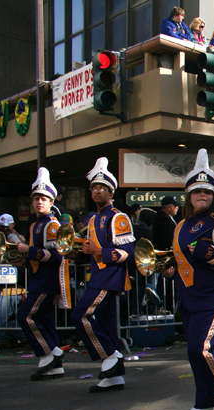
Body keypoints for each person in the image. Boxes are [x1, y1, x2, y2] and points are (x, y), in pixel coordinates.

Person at [164, 149, 214, 410]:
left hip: (213, 295)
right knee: (193, 352)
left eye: (207, 192)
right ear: (189, 195)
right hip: (188, 295)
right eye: (197, 191)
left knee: (202, 348)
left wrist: (210, 253)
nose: (202, 196)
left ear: (213, 196)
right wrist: (170, 267)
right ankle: (205, 401)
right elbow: (181, 257)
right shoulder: (180, 226)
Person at [70, 157, 135, 393]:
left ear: (111, 192)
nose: (97, 191)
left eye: (102, 188)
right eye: (94, 188)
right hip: (98, 276)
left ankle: (111, 354)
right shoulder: (93, 218)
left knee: (80, 315)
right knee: (107, 324)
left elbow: (129, 252)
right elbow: (92, 249)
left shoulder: (118, 216)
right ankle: (115, 378)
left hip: (109, 277)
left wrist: (99, 251)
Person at [14, 168, 71, 381]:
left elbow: (56, 256)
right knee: (45, 321)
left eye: (44, 199)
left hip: (46, 281)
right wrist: (23, 258)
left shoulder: (52, 224)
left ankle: (50, 353)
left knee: (25, 315)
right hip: (37, 280)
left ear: (51, 202)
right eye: (36, 198)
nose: (39, 202)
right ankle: (55, 367)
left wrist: (29, 251)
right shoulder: (35, 225)